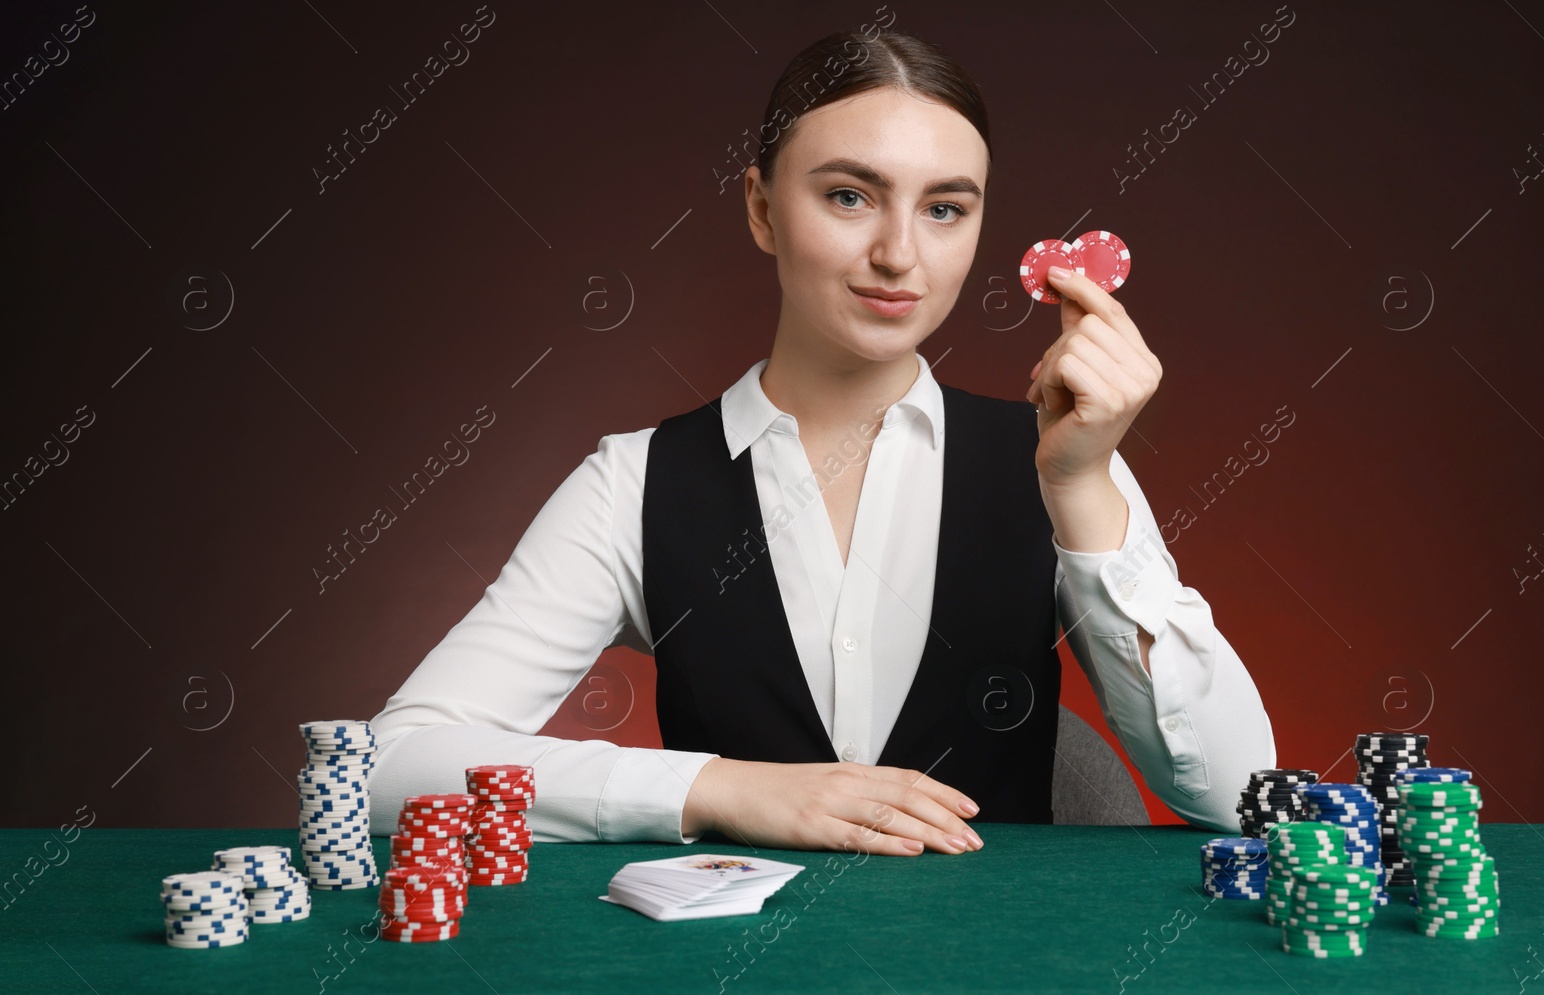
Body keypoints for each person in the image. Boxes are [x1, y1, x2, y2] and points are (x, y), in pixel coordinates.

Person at [367, 28, 1274, 858]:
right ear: (762, 210)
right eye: (850, 195)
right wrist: (717, 788)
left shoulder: (1058, 463)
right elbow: (390, 764)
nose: (898, 255)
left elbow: (1242, 796)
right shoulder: (634, 483)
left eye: (945, 209)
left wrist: (1081, 491)